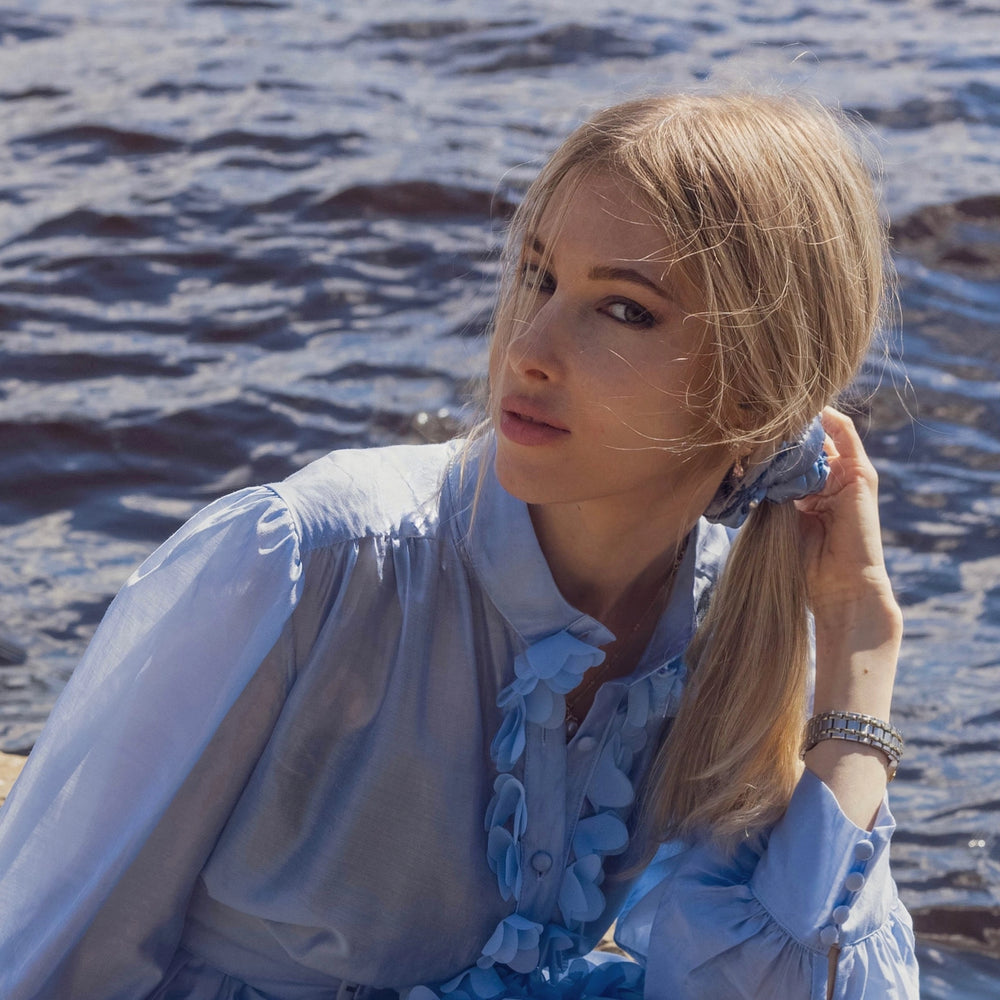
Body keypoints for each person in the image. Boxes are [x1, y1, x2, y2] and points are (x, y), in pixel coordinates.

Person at [0, 92, 918, 999]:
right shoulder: (311, 561)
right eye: (538, 274)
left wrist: (857, 651)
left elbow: (779, 986)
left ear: (752, 399)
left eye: (624, 310)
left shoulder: (723, 627)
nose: (529, 346)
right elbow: (54, 954)